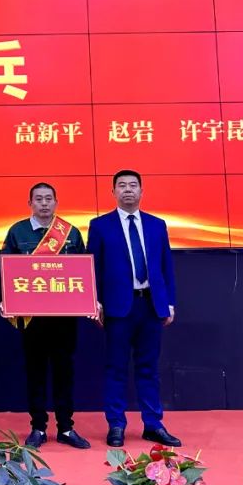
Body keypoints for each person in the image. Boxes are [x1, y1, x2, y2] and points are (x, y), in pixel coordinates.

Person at [88, 170, 181, 448]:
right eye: (122, 185)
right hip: (118, 307)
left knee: (148, 368)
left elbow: (166, 266)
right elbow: (93, 267)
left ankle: (153, 424)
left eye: (133, 185)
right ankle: (116, 424)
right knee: (116, 368)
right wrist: (95, 301)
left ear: (141, 191)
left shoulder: (156, 225)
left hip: (150, 305)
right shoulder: (100, 226)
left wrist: (169, 302)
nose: (128, 190)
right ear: (113, 192)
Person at [0, 182, 91, 450]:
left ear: (56, 202)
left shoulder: (71, 233)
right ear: (30, 203)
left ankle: (66, 427)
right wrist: (6, 300)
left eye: (48, 198)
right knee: (35, 372)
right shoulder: (17, 232)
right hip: (32, 318)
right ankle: (38, 427)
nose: (44, 203)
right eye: (38, 199)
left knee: (64, 372)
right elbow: (6, 270)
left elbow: (83, 270)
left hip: (64, 317)